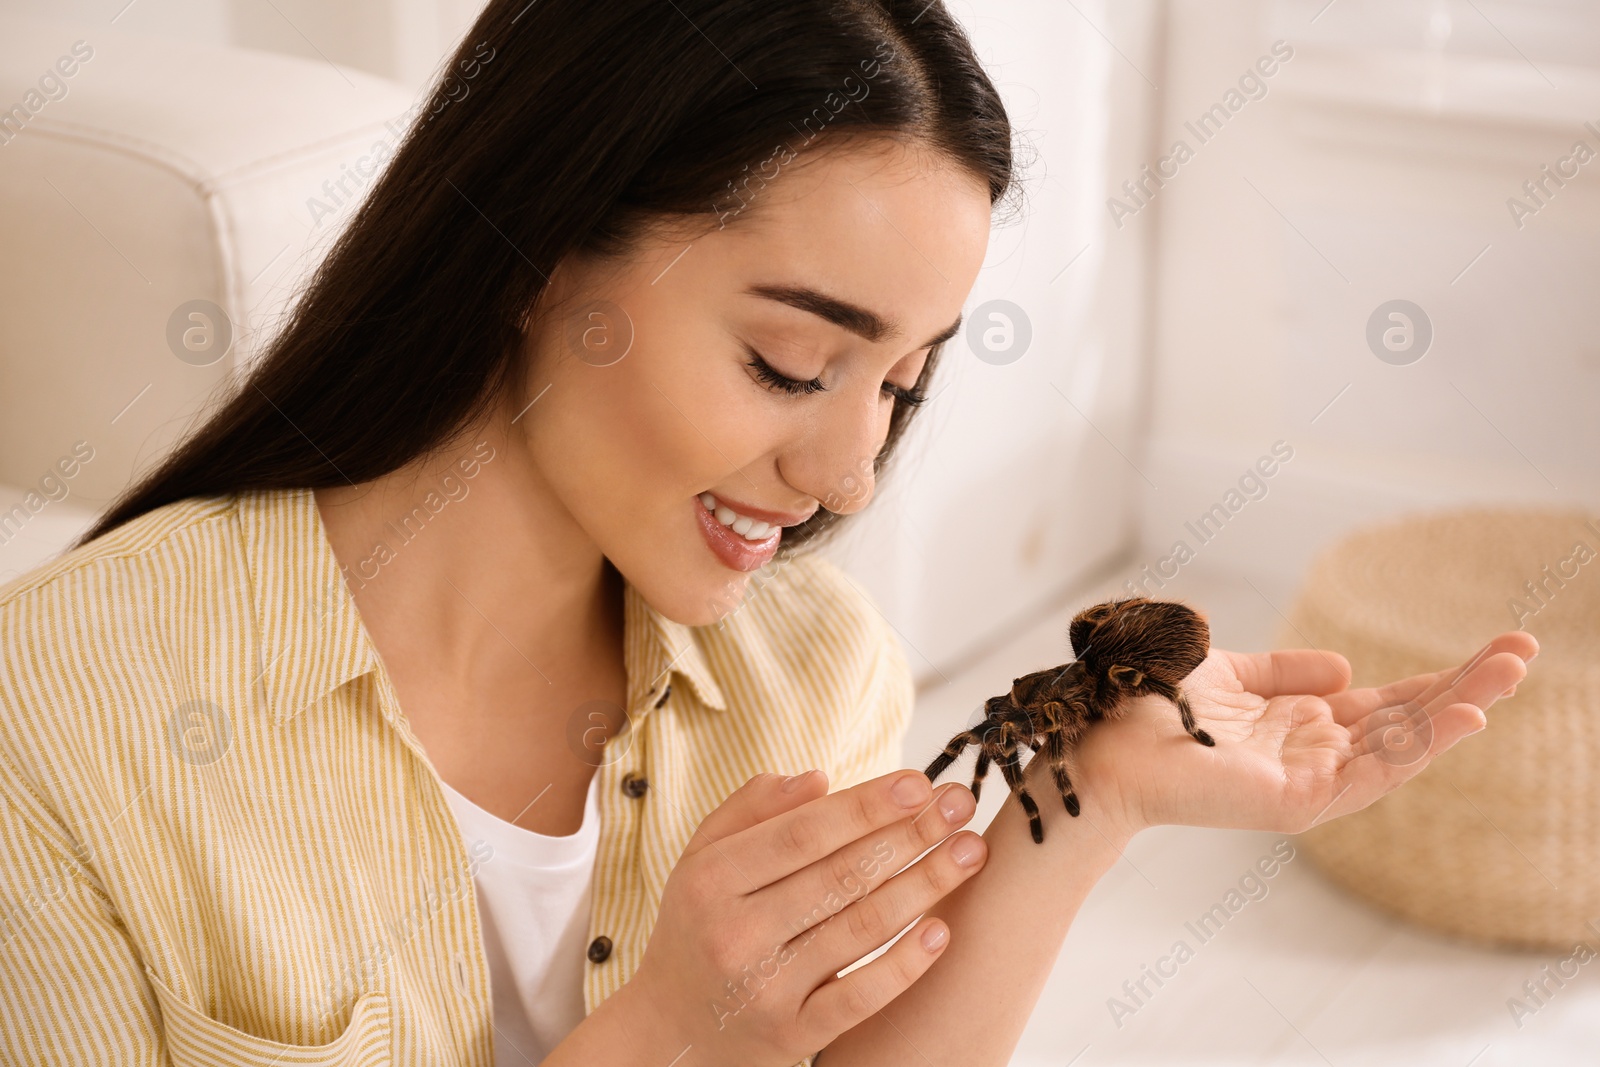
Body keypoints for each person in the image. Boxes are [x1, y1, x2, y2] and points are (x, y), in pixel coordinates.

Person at [0, 1, 1536, 1065]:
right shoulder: (71, 716)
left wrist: (1094, 796)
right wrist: (671, 1036)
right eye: (793, 365)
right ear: (538, 249)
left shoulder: (807, 675)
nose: (852, 474)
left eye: (903, 385)